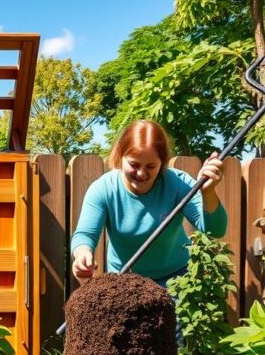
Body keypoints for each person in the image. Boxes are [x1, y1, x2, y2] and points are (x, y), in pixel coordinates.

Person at [70, 120, 227, 288]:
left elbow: (215, 230)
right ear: (120, 157)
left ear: (162, 163)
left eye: (151, 166)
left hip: (177, 280)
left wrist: (208, 193)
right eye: (134, 164)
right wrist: (82, 254)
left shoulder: (178, 184)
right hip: (125, 280)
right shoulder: (104, 189)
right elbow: (85, 234)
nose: (141, 173)